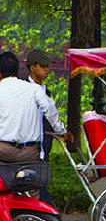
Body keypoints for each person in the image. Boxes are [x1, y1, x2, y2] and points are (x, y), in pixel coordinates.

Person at [0, 51, 70, 192]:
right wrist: (62, 131)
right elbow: (50, 110)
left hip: (3, 151)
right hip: (30, 152)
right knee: (33, 188)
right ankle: (34, 209)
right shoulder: (34, 89)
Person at [26, 49, 57, 205]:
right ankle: (52, 215)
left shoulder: (47, 92)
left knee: (41, 181)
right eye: (42, 66)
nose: (47, 70)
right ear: (33, 68)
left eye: (47, 66)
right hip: (29, 143)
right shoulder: (24, 90)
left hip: (44, 143)